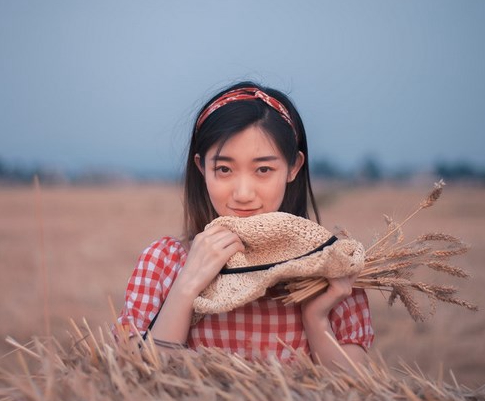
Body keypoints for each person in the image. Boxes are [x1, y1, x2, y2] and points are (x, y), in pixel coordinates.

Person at [118, 81, 373, 369]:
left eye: (263, 169)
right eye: (224, 169)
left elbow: (359, 388)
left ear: (293, 167)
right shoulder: (163, 262)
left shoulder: (333, 267)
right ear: (202, 168)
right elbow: (135, 377)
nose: (242, 194)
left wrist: (316, 318)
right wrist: (186, 286)